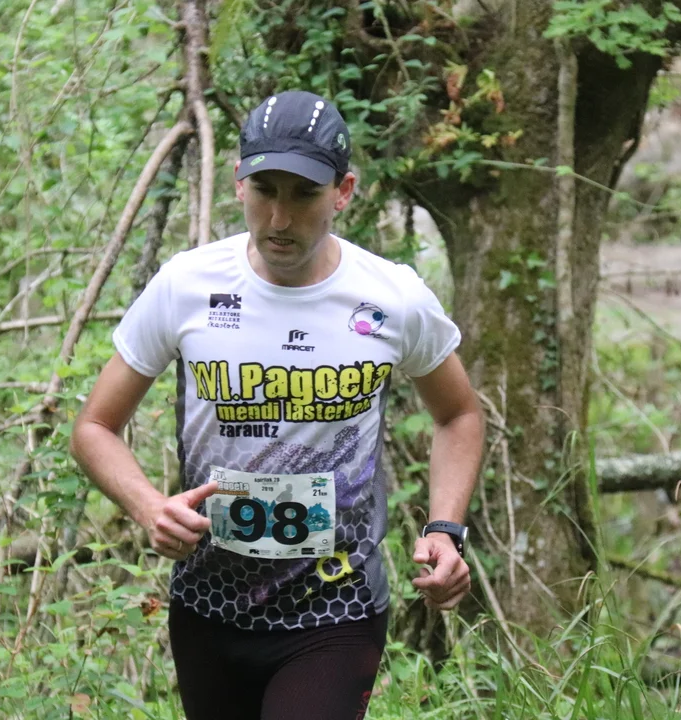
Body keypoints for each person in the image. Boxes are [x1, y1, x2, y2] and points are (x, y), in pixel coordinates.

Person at [70, 90, 484, 720]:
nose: (279, 218)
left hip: (338, 606)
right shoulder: (188, 285)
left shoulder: (392, 297)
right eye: (264, 190)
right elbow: (95, 426)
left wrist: (445, 530)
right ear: (238, 182)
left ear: (343, 192)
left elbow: (458, 415)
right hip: (210, 603)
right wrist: (148, 506)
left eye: (304, 194)